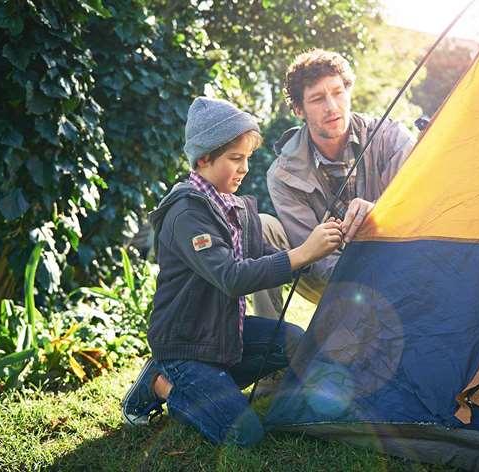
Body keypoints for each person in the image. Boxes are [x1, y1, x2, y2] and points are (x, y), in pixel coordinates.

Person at [121, 97, 343, 447]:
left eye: (247, 159)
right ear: (203, 159)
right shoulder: (187, 213)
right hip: (187, 345)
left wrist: (321, 251)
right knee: (244, 435)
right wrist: (301, 253)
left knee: (294, 341)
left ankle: (211, 386)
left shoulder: (235, 207)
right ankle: (161, 384)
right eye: (235, 159)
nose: (244, 169)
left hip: (223, 333)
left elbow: (266, 258)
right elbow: (232, 276)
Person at [253, 49, 416, 318]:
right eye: (317, 99)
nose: (332, 107)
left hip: (396, 266)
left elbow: (420, 204)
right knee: (261, 227)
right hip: (327, 276)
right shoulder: (282, 173)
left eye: (338, 92)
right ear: (298, 110)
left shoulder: (390, 137)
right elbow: (313, 255)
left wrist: (377, 210)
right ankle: (269, 343)